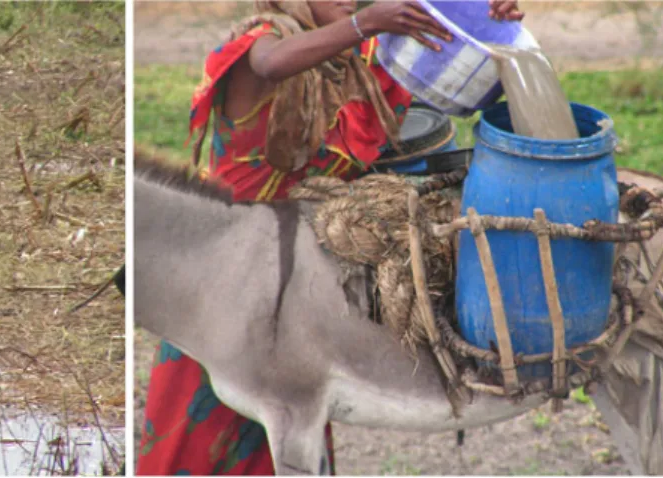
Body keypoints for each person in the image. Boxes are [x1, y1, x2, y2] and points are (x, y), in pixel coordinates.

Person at [138, 0, 523, 474]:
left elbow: (463, 81)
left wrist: (490, 22)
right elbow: (273, 62)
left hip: (295, 293)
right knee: (195, 447)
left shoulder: (362, 65)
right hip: (221, 287)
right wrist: (366, 24)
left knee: (294, 437)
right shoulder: (260, 40)